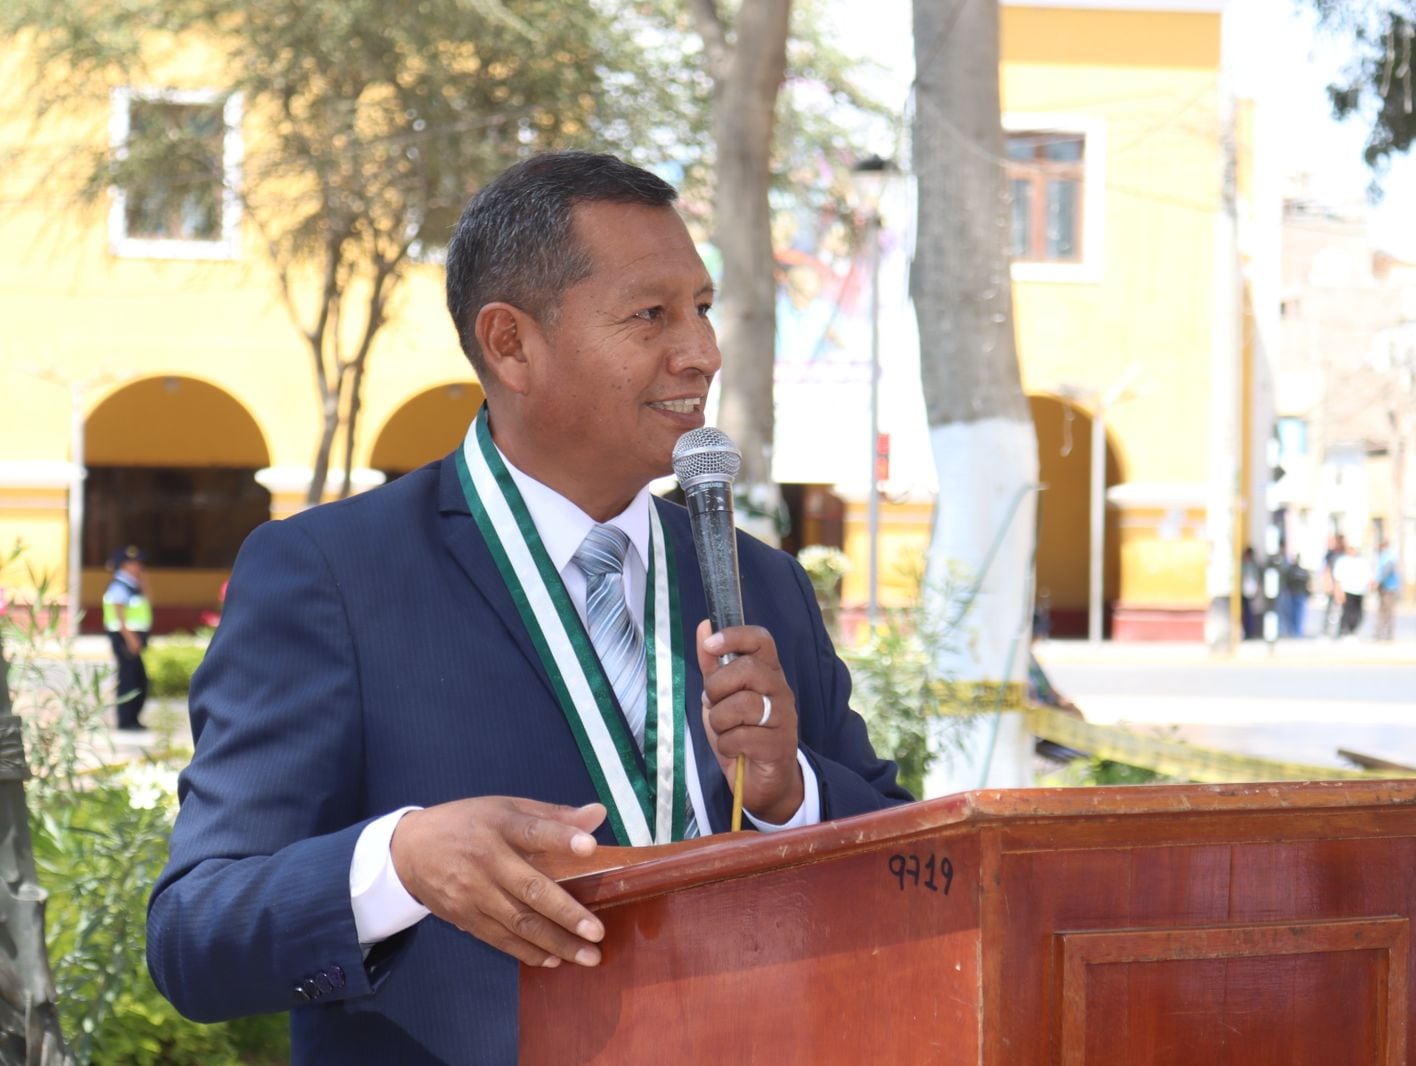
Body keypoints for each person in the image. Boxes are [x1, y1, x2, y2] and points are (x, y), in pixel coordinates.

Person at [146, 152, 911, 1064]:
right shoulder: (332, 576)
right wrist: (400, 864)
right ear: (510, 344)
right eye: (651, 314)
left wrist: (792, 795)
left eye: (702, 308)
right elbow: (196, 933)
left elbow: (910, 871)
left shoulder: (761, 583)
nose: (702, 351)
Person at [102, 545, 152, 730]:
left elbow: (148, 600)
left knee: (139, 679)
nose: (140, 567)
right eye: (136, 563)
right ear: (124, 565)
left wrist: (143, 581)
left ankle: (133, 719)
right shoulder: (119, 586)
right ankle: (126, 721)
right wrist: (131, 639)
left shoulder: (133, 586)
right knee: (129, 679)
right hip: (125, 638)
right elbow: (119, 616)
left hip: (133, 638)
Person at [1333, 542, 1370, 638]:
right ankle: (1344, 631)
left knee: (1358, 613)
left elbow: (1368, 576)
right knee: (1347, 612)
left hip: (1359, 591)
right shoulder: (1343, 561)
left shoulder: (1362, 561)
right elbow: (1337, 577)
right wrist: (1338, 591)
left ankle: (1352, 631)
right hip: (1347, 589)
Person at [1372, 538, 1400, 642]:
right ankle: (1380, 633)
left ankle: (1386, 634)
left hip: (1389, 588)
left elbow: (1384, 573)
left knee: (1387, 611)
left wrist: (1377, 582)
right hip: (1384, 588)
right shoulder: (1384, 557)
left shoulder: (1389, 558)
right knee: (1383, 611)